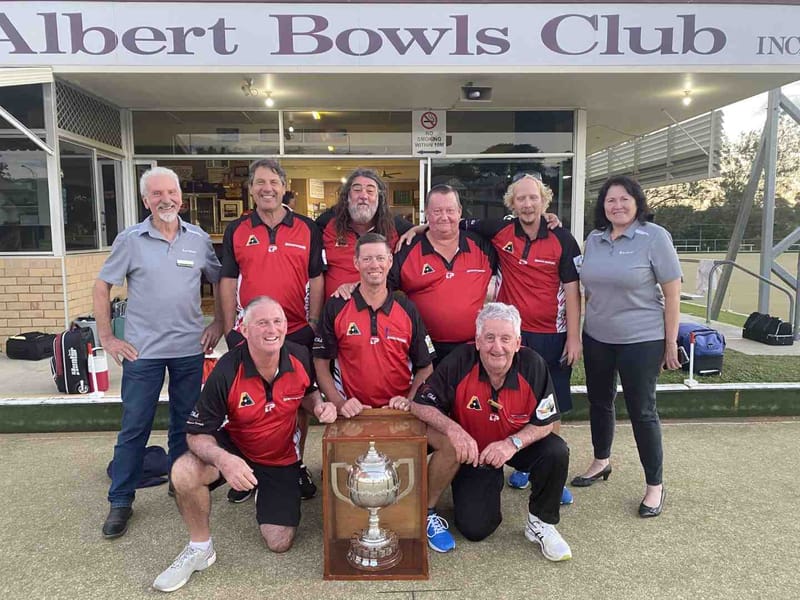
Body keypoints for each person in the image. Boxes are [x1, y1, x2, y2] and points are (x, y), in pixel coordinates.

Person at [152, 297, 337, 592]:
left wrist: (318, 407)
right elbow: (195, 434)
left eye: (277, 322)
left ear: (287, 327)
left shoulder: (300, 356)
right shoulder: (226, 370)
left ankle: (260, 489)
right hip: (236, 449)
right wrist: (224, 460)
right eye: (262, 323)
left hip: (281, 457)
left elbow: (308, 392)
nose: (271, 329)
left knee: (279, 543)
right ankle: (200, 548)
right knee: (184, 472)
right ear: (245, 329)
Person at [93, 166, 223, 539]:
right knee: (135, 426)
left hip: (188, 349)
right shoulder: (130, 239)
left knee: (186, 423)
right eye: (156, 194)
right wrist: (108, 337)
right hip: (142, 353)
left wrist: (219, 326)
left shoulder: (197, 239)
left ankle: (178, 482)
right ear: (144, 200)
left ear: (181, 196)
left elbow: (221, 282)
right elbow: (102, 286)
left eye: (172, 193)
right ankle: (120, 500)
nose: (166, 200)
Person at [411, 303, 571, 561]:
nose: (497, 347)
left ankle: (540, 522)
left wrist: (512, 443)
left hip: (514, 444)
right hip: (474, 454)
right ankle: (482, 484)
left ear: (518, 343)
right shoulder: (460, 361)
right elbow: (420, 404)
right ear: (477, 341)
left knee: (556, 450)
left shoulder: (533, 365)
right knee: (475, 529)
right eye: (489, 338)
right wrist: (454, 430)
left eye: (506, 339)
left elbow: (547, 421)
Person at [571, 175, 682, 518]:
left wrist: (671, 341)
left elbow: (672, 293)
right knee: (600, 402)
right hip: (598, 337)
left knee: (641, 410)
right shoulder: (594, 238)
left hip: (642, 340)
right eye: (610, 200)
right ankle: (601, 460)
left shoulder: (655, 237)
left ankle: (654, 486)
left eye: (624, 199)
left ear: (637, 202)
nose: (617, 206)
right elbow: (587, 287)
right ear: (602, 206)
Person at [219, 158, 323, 501]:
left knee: (297, 405)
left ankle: (294, 465)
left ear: (284, 186)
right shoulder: (237, 229)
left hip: (294, 332)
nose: (267, 189)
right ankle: (247, 468)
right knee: (244, 404)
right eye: (260, 183)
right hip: (250, 335)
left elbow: (316, 278)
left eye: (273, 182)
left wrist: (314, 323)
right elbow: (228, 280)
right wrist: (228, 328)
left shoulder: (307, 228)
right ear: (250, 189)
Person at [313, 232, 434, 417]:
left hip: (397, 412)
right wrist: (339, 403)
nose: (374, 265)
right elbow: (321, 362)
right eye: (367, 259)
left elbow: (425, 367)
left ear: (390, 261)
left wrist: (409, 401)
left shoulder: (406, 308)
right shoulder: (337, 306)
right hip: (352, 414)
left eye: (380, 258)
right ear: (356, 263)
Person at [389, 184, 497, 366]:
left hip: (472, 349)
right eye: (437, 211)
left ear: (460, 212)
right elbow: (380, 290)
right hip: (422, 351)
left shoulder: (482, 246)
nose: (444, 217)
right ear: (427, 214)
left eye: (450, 210)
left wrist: (544, 220)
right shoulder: (407, 249)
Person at [316, 168, 413, 298]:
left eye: (370, 191)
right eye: (357, 190)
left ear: (379, 198)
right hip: (335, 310)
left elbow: (432, 232)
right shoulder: (326, 223)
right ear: (347, 196)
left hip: (380, 310)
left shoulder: (395, 226)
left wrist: (416, 230)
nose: (363, 196)